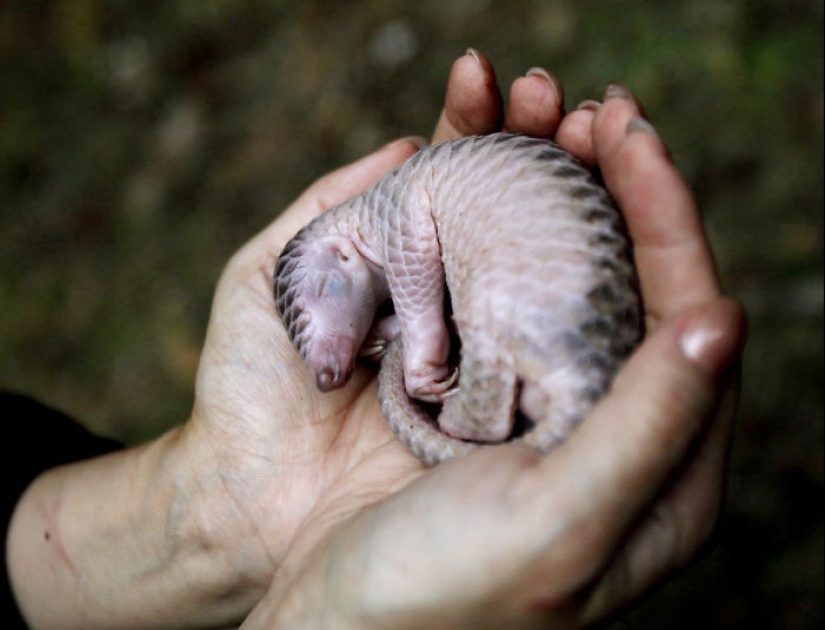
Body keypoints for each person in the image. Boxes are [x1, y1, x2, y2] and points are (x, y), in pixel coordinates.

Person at [3, 49, 746, 629]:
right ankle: (484, 413)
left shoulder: (390, 210)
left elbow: (421, 294)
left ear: (336, 261)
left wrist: (417, 352)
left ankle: (479, 415)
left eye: (322, 326)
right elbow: (409, 306)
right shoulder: (393, 227)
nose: (328, 367)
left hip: (540, 290)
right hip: (545, 295)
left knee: (487, 326)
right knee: (492, 326)